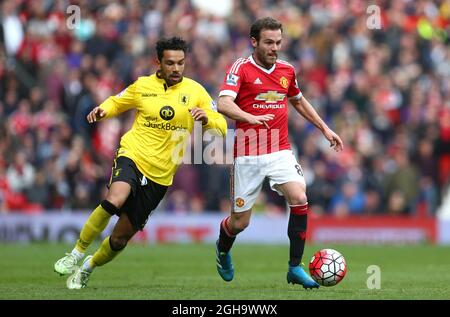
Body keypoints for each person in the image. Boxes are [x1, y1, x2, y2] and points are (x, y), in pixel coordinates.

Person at [54, 37, 227, 289]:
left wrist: (206, 119)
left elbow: (221, 125)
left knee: (119, 239)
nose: (176, 68)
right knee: (115, 199)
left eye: (181, 63)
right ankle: (75, 254)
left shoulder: (196, 91)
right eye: (170, 63)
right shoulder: (143, 85)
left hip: (161, 175)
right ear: (158, 62)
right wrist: (103, 109)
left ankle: (88, 266)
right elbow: (117, 101)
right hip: (133, 155)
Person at [214, 17, 343, 289]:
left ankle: (294, 267)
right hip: (248, 154)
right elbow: (223, 104)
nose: (275, 48)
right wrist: (248, 116)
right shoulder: (241, 68)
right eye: (269, 42)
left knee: (299, 197)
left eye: (279, 42)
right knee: (239, 223)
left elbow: (297, 100)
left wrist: (325, 129)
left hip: (279, 149)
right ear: (254, 42)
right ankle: (223, 250)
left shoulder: (286, 70)